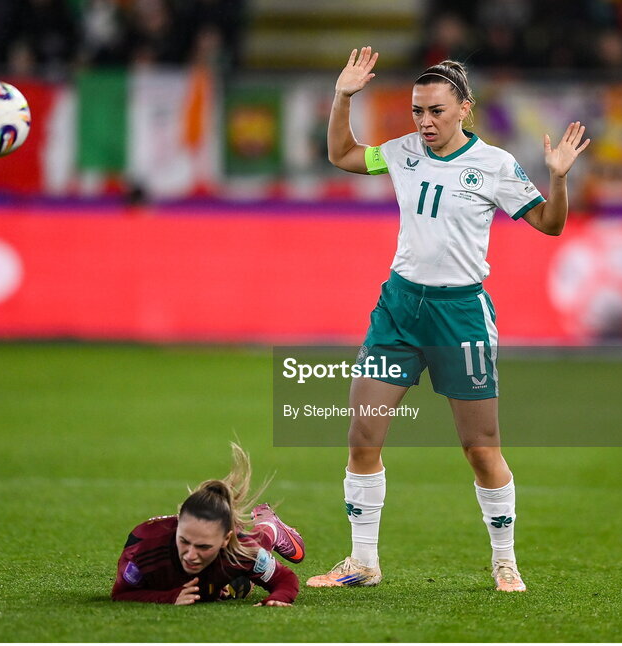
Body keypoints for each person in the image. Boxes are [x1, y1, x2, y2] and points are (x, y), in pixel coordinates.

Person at [306, 47, 590, 592]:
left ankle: (504, 561)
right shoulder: (403, 152)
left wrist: (558, 178)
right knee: (363, 435)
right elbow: (342, 154)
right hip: (398, 310)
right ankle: (363, 562)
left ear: (465, 108)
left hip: (460, 315)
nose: (425, 121)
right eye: (417, 111)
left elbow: (550, 224)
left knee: (480, 448)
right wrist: (343, 96)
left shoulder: (496, 165)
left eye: (436, 110)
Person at [111, 443, 305, 606]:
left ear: (225, 540)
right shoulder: (144, 545)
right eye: (184, 541)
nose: (190, 555)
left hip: (229, 560)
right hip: (214, 573)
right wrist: (170, 597)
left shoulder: (240, 549)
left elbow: (285, 579)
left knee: (246, 557)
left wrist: (277, 598)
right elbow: (121, 593)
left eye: (203, 546)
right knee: (228, 588)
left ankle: (268, 527)